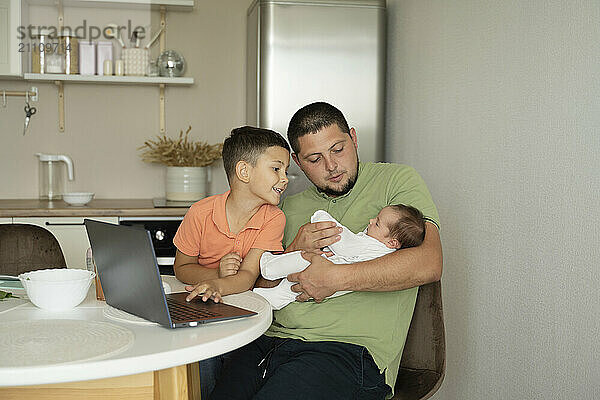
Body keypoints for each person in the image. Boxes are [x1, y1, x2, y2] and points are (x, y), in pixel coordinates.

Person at [210, 102, 442, 400]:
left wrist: (334, 278)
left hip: (345, 352)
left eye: (338, 149)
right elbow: (258, 284)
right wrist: (292, 249)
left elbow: (429, 263)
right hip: (268, 340)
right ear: (296, 161)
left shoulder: (396, 182)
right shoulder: (285, 207)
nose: (331, 166)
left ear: (354, 139)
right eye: (314, 158)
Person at [172, 125, 290, 399]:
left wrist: (218, 285)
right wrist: (215, 274)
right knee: (202, 362)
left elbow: (248, 275)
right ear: (244, 171)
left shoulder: (273, 218)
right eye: (276, 169)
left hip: (243, 314)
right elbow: (181, 267)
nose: (285, 179)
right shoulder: (200, 213)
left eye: (285, 171)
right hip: (200, 313)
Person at [254, 204, 427, 310]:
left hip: (322, 275)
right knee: (291, 290)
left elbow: (345, 244)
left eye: (377, 223)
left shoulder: (375, 247)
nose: (370, 220)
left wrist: (323, 218)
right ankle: (272, 298)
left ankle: (269, 267)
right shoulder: (381, 247)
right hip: (327, 277)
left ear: (392, 243)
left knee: (302, 259)